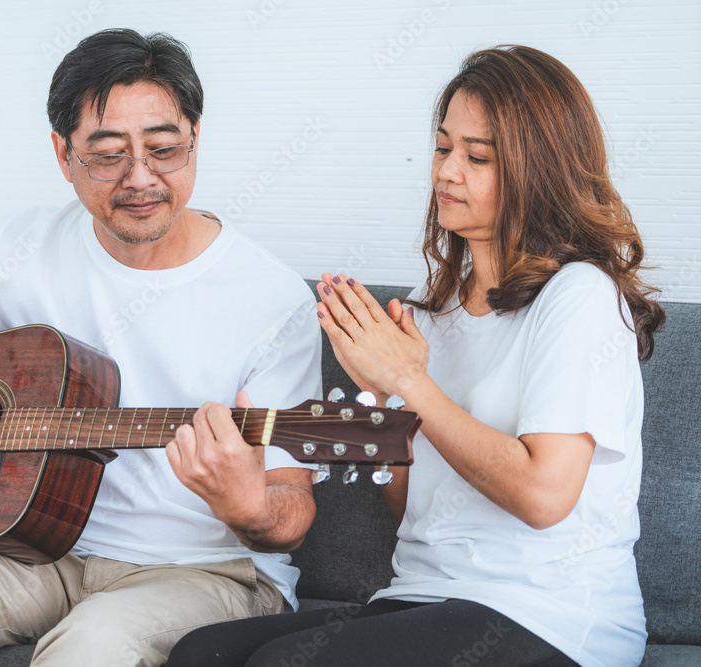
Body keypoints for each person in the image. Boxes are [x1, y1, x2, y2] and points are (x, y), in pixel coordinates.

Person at [0, 28, 322, 667]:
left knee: (94, 645)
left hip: (201, 572)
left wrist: (249, 507)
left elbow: (293, 506)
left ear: (195, 137)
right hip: (36, 552)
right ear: (62, 154)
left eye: (164, 149)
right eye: (107, 155)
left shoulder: (272, 299)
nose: (141, 178)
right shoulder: (21, 250)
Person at [166, 44, 665, 667]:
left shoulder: (579, 295)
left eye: (477, 156)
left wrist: (409, 380)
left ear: (542, 171)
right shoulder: (434, 309)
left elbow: (544, 496)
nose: (446, 172)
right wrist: (383, 402)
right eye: (442, 146)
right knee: (198, 654)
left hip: (550, 616)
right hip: (424, 598)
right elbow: (417, 511)